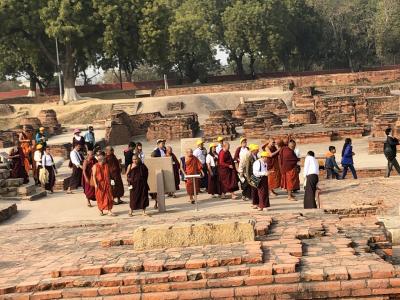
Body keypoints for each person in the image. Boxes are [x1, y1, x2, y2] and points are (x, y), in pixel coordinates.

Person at [92, 151, 115, 216]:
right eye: (103, 159)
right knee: (100, 198)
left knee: (109, 197)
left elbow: (110, 175)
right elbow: (93, 176)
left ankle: (109, 211)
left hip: (107, 184)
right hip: (100, 184)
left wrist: (112, 182)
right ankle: (101, 211)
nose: (104, 160)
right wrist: (96, 184)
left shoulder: (106, 165)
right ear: (100, 160)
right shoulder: (95, 166)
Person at [243, 144, 260, 209]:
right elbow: (247, 169)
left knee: (256, 189)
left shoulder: (256, 156)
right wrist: (248, 178)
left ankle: (256, 202)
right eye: (257, 150)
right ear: (253, 150)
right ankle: (255, 203)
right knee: (254, 190)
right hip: (252, 176)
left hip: (256, 175)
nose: (258, 150)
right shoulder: (249, 157)